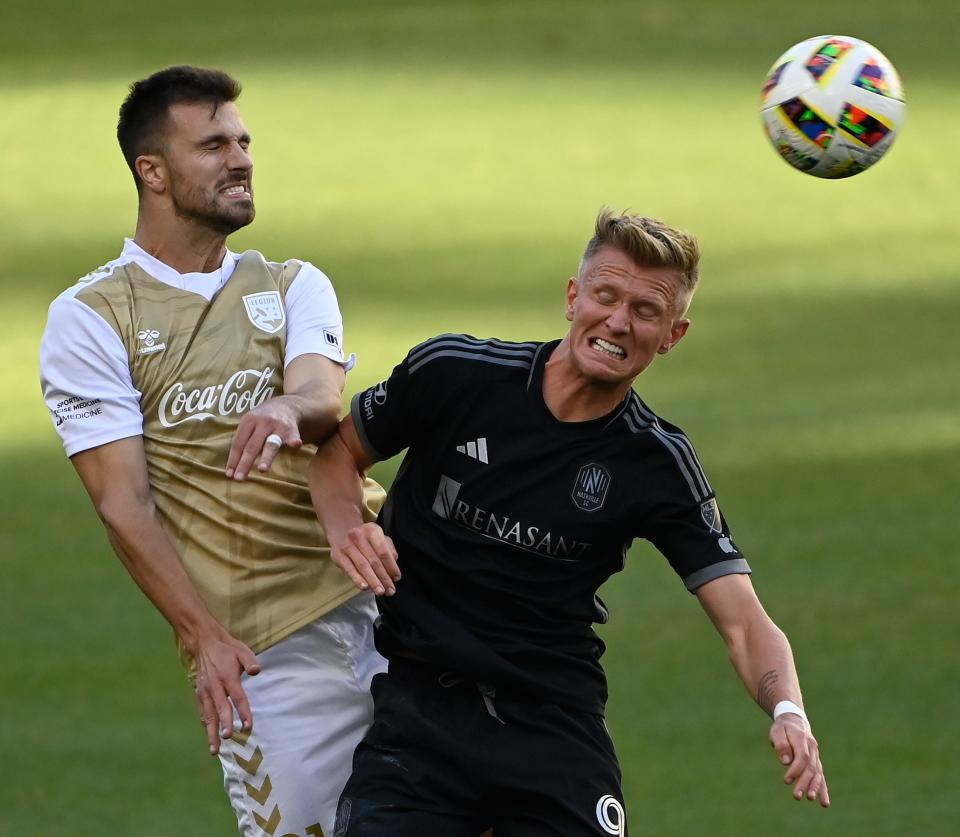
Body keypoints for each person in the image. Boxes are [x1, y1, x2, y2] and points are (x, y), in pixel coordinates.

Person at [309, 210, 830, 836]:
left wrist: (788, 710)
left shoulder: (656, 461)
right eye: (605, 296)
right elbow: (338, 453)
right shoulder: (454, 373)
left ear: (672, 335)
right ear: (572, 296)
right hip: (419, 714)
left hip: (552, 724)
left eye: (645, 310)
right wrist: (345, 526)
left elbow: (745, 621)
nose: (617, 321)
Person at [39, 66, 386, 837]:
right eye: (213, 144)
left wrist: (289, 407)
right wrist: (203, 637)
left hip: (394, 603)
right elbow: (121, 501)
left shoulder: (293, 281)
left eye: (244, 140)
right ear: (151, 171)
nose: (241, 158)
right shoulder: (94, 317)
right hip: (266, 654)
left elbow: (324, 398)